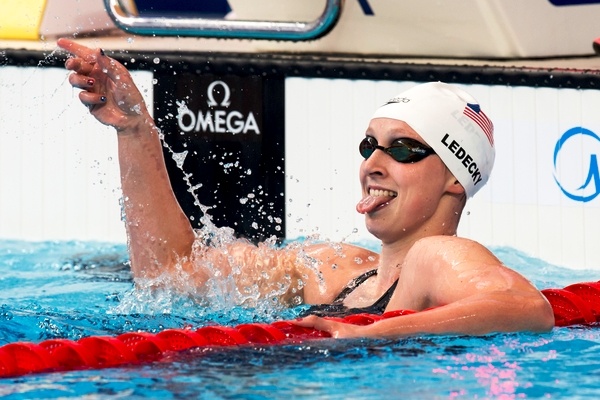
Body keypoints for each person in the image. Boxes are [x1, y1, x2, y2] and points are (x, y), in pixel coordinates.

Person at [57, 38, 555, 338]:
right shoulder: (336, 269)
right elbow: (169, 277)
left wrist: (371, 334)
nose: (375, 163)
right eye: (369, 146)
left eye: (403, 149)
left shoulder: (438, 257)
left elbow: (527, 309)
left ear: (455, 178)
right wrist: (135, 131)